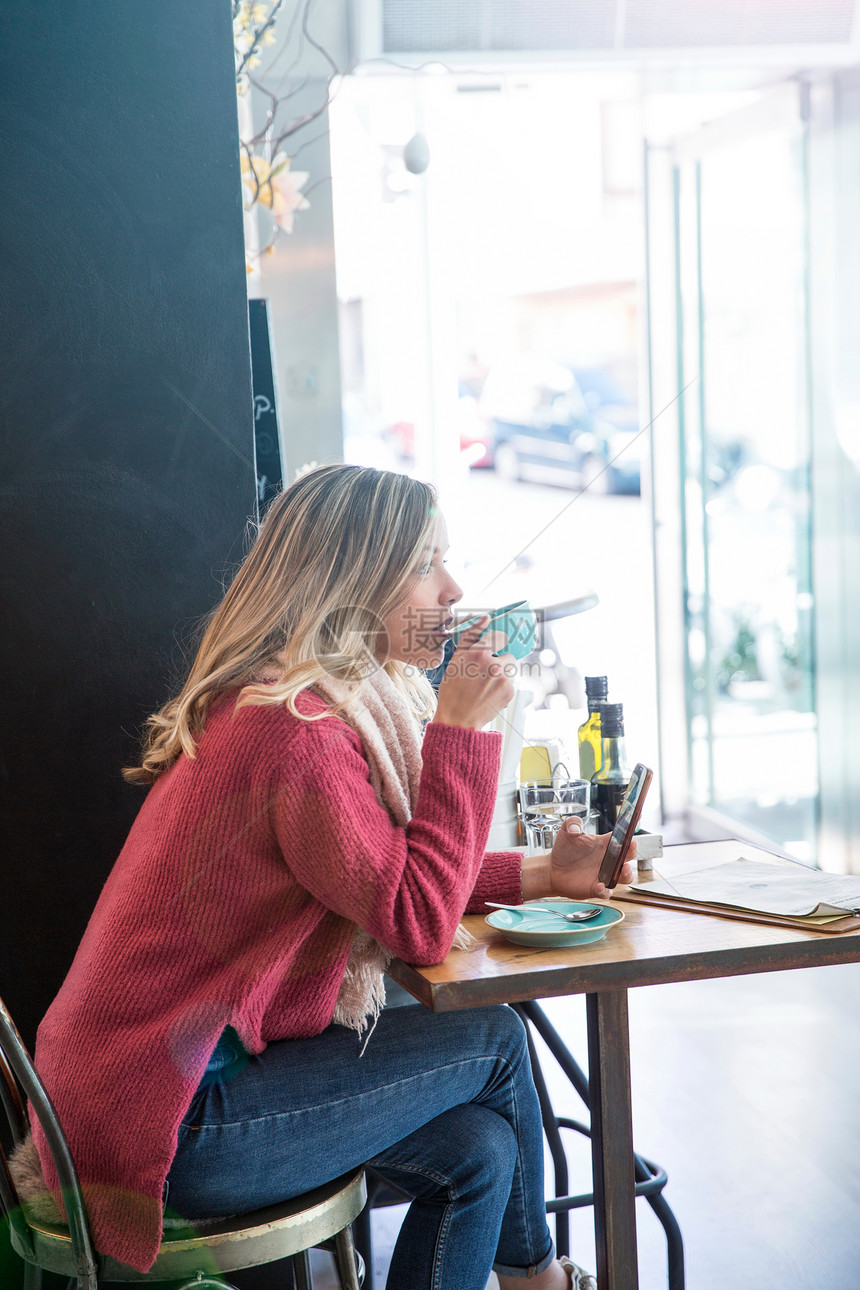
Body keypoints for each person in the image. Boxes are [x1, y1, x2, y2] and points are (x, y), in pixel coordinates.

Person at [26, 464, 632, 1290]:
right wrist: (459, 731)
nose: (454, 587)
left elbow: (381, 874)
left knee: (481, 1151)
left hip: (135, 1098)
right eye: (426, 563)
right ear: (355, 579)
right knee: (494, 1039)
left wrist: (542, 872)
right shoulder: (296, 733)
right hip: (167, 1125)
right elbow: (415, 919)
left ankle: (535, 1281)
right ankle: (542, 1284)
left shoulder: (289, 704)